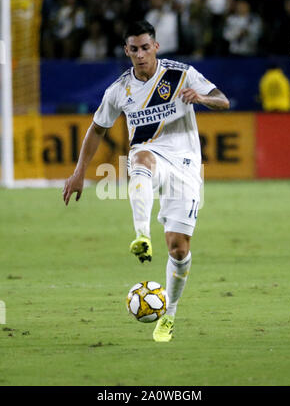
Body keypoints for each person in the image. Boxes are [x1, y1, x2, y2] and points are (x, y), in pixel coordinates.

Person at [63, 20, 230, 342]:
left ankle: (169, 315)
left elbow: (224, 100)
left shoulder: (180, 74)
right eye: (133, 49)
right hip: (151, 156)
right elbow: (97, 128)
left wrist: (202, 98)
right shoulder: (119, 90)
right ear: (127, 51)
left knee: (179, 250)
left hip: (186, 166)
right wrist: (79, 172)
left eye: (145, 47)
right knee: (139, 158)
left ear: (155, 46)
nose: (140, 54)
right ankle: (141, 236)